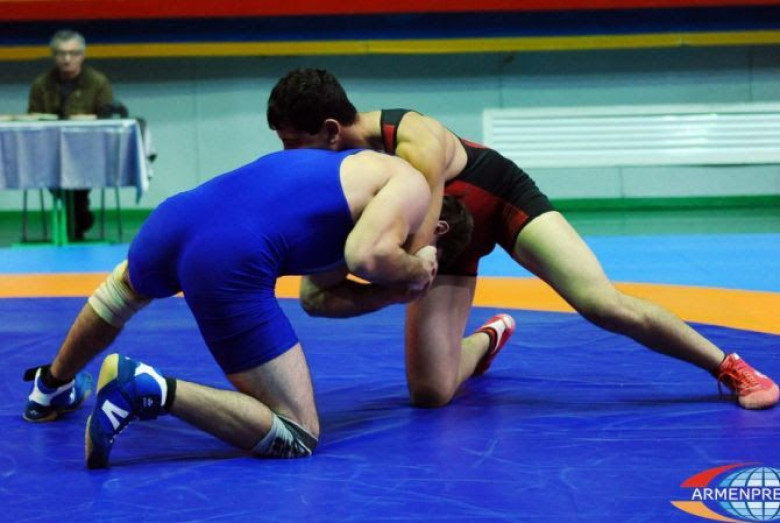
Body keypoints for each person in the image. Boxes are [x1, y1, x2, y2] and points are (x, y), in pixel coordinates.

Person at [266, 68, 779, 411]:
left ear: (331, 129)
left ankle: (729, 368)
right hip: (444, 235)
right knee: (430, 393)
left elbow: (419, 242)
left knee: (601, 303)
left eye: (293, 142)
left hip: (496, 199)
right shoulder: (337, 168)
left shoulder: (413, 138)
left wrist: (393, 278)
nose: (288, 156)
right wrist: (365, 286)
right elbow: (329, 284)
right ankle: (487, 339)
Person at [22, 147, 473, 468]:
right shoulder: (411, 190)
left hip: (177, 217)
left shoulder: (358, 174)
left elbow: (317, 298)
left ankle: (51, 386)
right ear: (438, 229)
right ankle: (147, 389)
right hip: (229, 255)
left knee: (121, 294)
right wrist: (416, 271)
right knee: (298, 433)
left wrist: (389, 294)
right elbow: (367, 257)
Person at [28, 30, 113, 241]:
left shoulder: (98, 82)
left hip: (88, 153)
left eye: (73, 54)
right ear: (54, 56)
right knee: (58, 180)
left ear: (82, 55)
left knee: (77, 184)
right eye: (61, 53)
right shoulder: (41, 84)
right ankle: (79, 217)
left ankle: (77, 217)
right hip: (49, 154)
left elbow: (108, 117)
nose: (67, 59)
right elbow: (32, 119)